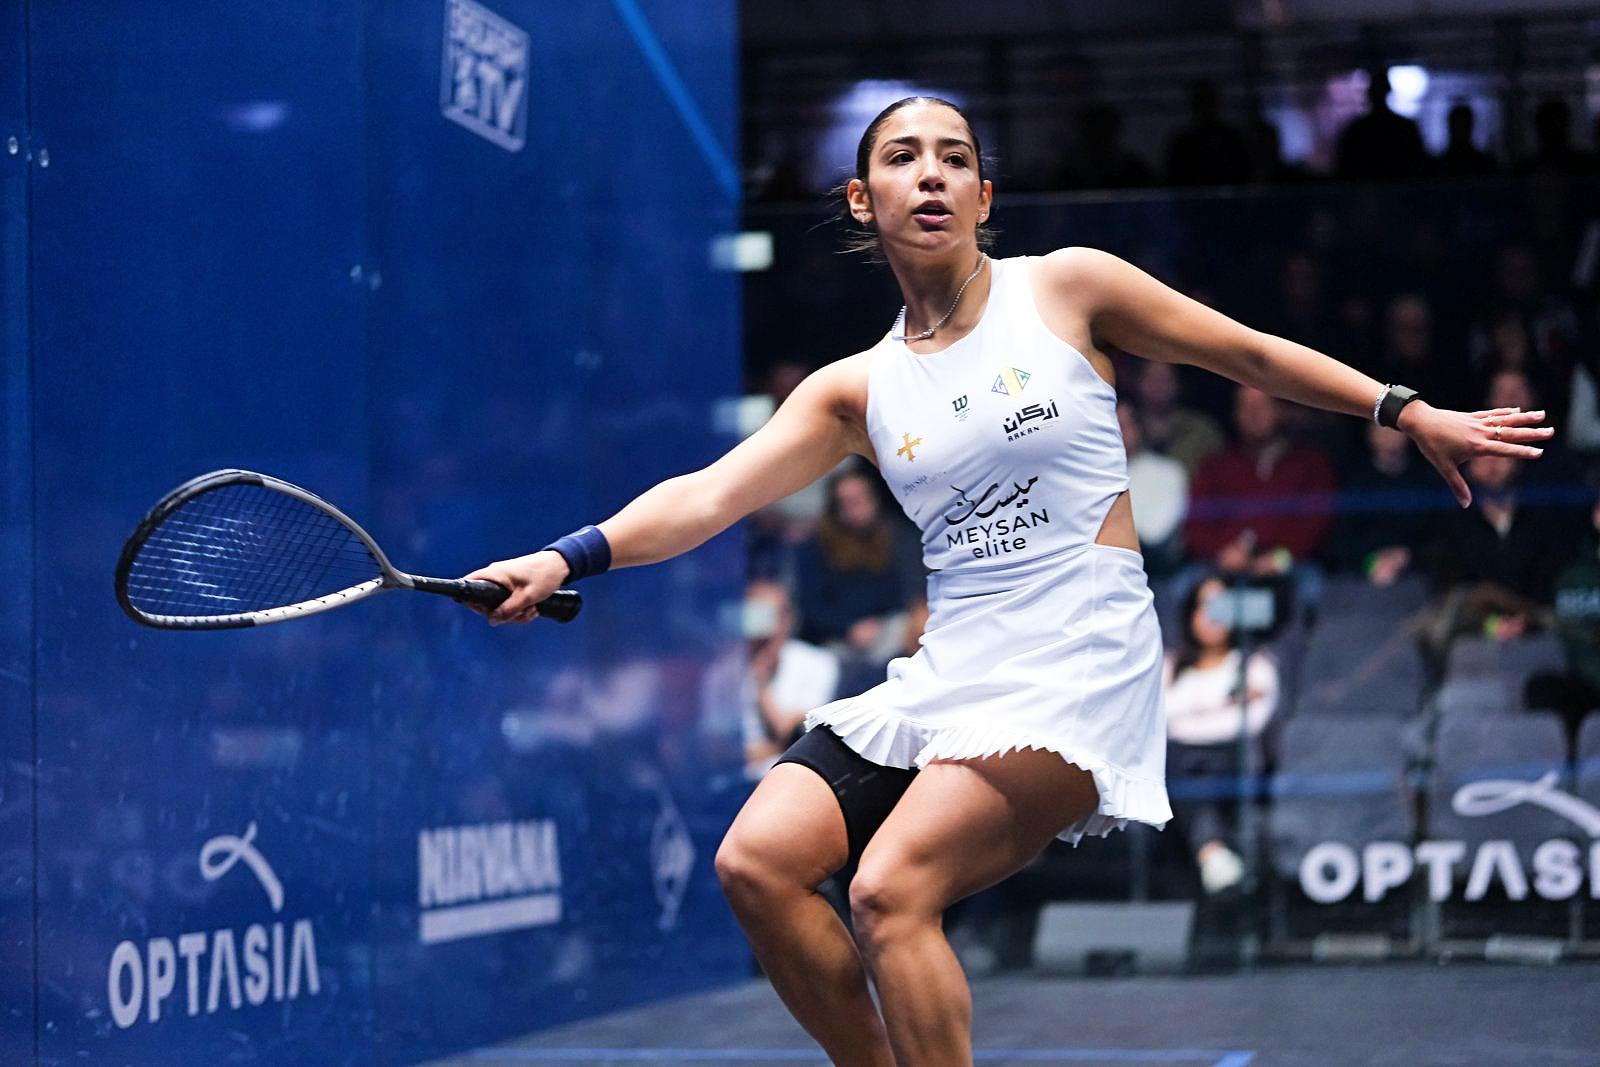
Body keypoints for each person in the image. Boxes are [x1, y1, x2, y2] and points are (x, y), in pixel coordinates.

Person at [461, 96, 1554, 1066]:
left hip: (1081, 651)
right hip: (955, 664)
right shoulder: (857, 388)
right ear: (862, 199)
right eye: (902, 158)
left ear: (985, 196)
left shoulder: (1065, 288)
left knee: (890, 890)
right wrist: (563, 556)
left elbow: (1248, 353)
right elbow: (706, 495)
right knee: (756, 860)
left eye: (954, 158)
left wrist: (1405, 409)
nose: (930, 174)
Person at [1163, 574, 1281, 896]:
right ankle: (1214, 853)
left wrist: (1192, 713)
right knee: (1173, 765)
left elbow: (1254, 721)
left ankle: (1211, 853)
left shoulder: (1253, 663)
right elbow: (1162, 717)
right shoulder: (1171, 665)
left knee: (1202, 776)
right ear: (1190, 613)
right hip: (1179, 757)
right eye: (1204, 606)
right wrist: (1225, 701)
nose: (1212, 616)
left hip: (1233, 755)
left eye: (1220, 606)